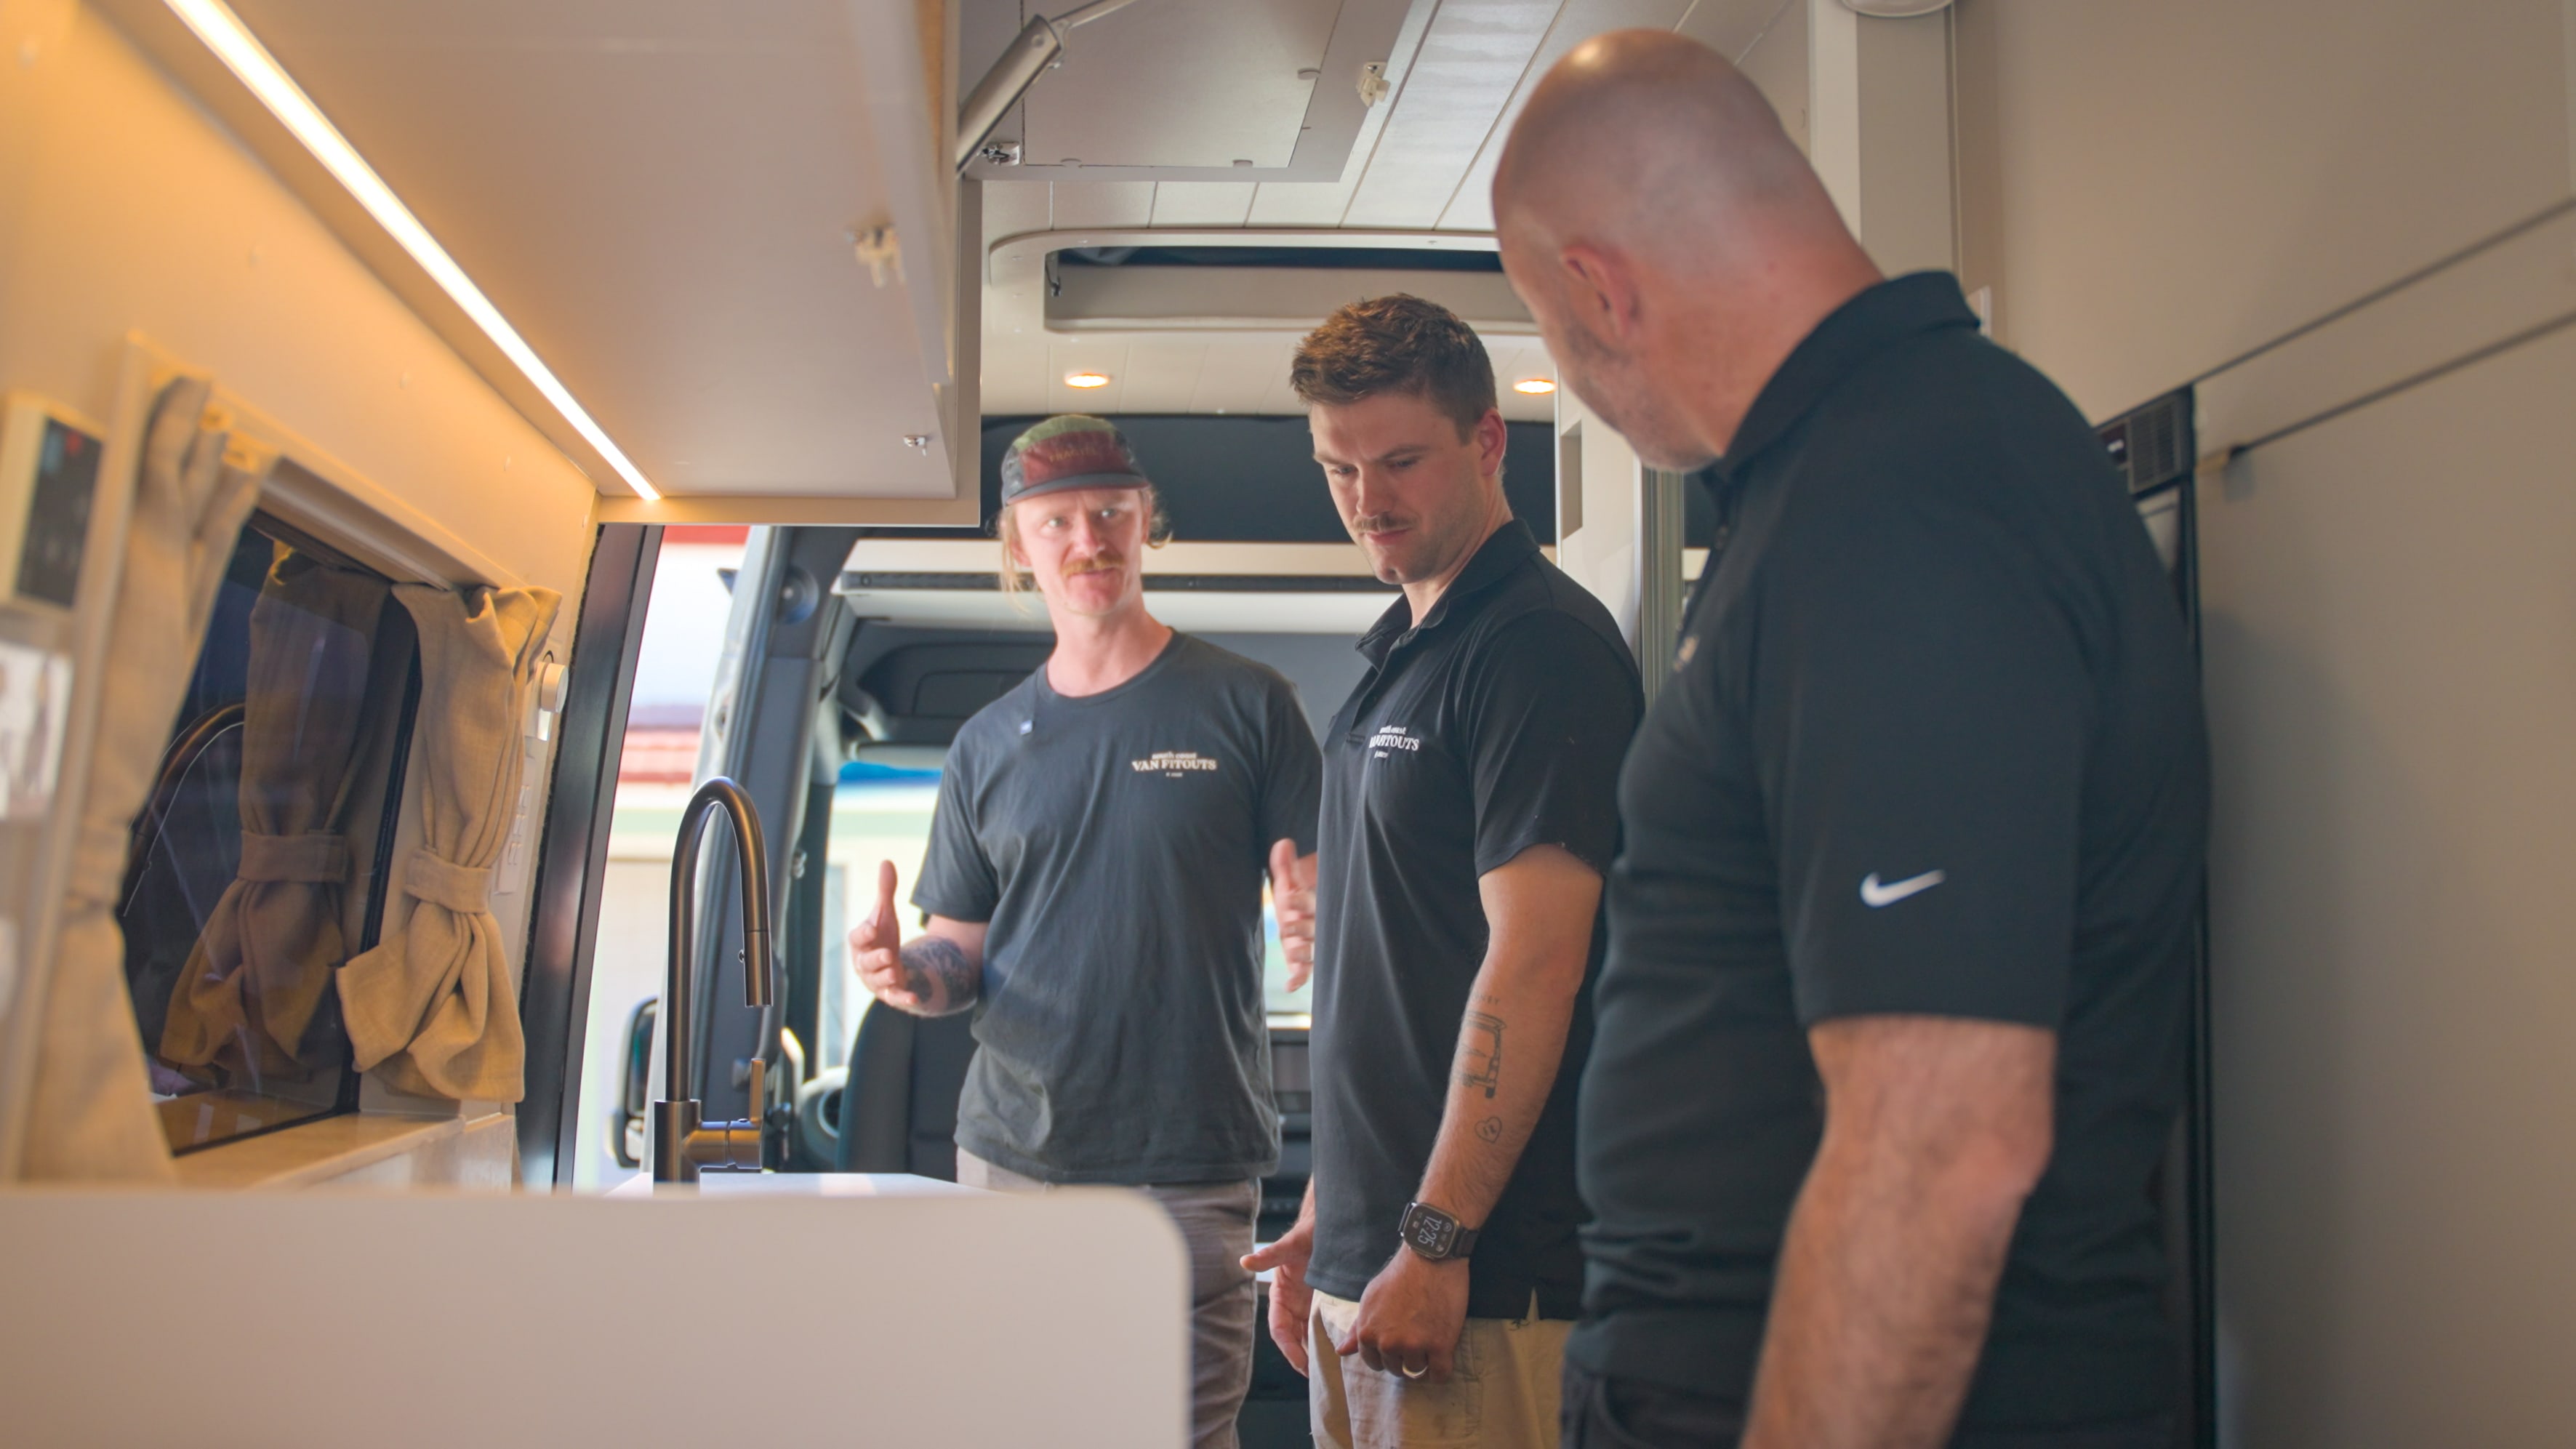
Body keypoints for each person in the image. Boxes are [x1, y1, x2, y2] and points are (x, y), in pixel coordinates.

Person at [1490, 31, 2210, 1449]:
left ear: (1597, 288)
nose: (1573, 376)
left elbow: (1939, 1141)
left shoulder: (1901, 503)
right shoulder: (1851, 485)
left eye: (1549, 330)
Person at [848, 414, 1323, 1449]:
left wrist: (1319, 914)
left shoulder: (1249, 706)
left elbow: (1323, 895)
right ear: (1020, 545)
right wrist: (901, 972)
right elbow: (956, 954)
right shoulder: (986, 745)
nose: (1088, 539)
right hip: (1018, 1159)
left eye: (1110, 510)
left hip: (1191, 1163)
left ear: (1148, 521)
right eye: (1056, 519)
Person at [1244, 295, 1643, 1449]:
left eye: (1401, 461)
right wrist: (1334, 1208)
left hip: (1482, 1274)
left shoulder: (1536, 648)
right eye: (1339, 469)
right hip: (1377, 1255)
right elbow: (1399, 977)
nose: (1368, 500)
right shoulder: (1400, 658)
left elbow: (1536, 962)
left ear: (1487, 441)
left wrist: (1433, 1240)